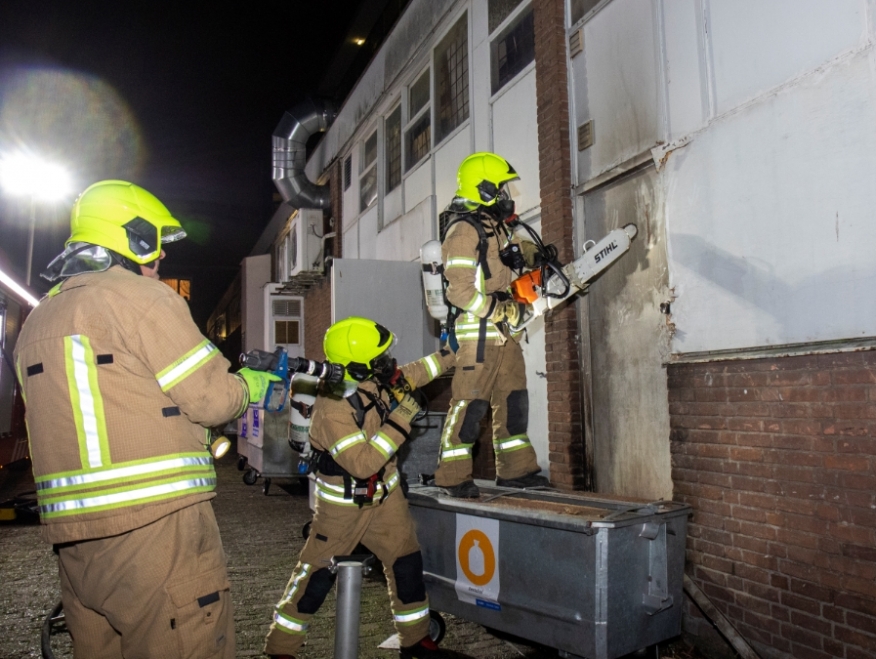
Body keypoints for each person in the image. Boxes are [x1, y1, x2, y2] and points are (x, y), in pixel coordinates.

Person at [14, 180, 278, 659]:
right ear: (130, 239)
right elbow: (213, 399)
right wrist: (250, 387)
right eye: (154, 250)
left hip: (74, 544)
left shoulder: (37, 320)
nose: (159, 265)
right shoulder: (143, 299)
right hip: (156, 530)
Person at [264, 316, 454, 659]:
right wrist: (401, 418)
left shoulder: (372, 381)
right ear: (357, 367)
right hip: (343, 506)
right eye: (379, 360)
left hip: (386, 499)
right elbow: (364, 463)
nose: (388, 364)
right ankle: (281, 648)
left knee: (406, 564)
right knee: (315, 578)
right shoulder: (331, 409)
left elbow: (412, 375)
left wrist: (449, 354)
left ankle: (416, 639)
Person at [430, 152, 551, 499]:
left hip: (504, 332)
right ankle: (452, 476)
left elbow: (509, 252)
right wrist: (499, 311)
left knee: (513, 400)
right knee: (470, 406)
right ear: (482, 189)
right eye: (500, 187)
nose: (505, 193)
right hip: (479, 332)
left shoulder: (493, 226)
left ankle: (516, 471)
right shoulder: (463, 230)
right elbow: (459, 291)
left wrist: (533, 254)